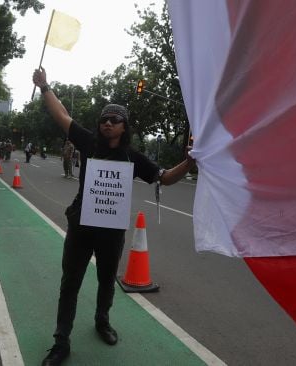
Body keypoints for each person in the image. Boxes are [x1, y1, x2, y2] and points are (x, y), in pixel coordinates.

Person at [33, 67, 196, 366]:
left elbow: (165, 177)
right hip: (81, 226)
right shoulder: (87, 142)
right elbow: (62, 116)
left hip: (111, 232)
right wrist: (45, 87)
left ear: (124, 126)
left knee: (106, 280)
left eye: (114, 119)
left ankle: (102, 321)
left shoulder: (133, 158)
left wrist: (189, 162)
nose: (107, 123)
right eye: (104, 119)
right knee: (70, 283)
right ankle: (61, 342)